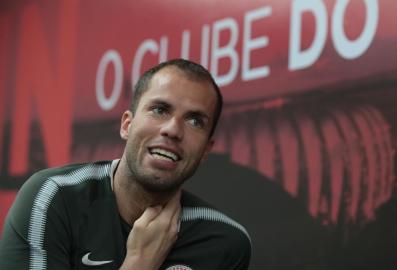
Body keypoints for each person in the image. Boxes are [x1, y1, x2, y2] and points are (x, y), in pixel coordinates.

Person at [0, 59, 251, 269]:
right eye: (160, 110)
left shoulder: (225, 242)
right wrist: (139, 263)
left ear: (206, 150)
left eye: (195, 121)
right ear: (126, 125)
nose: (173, 129)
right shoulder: (53, 197)